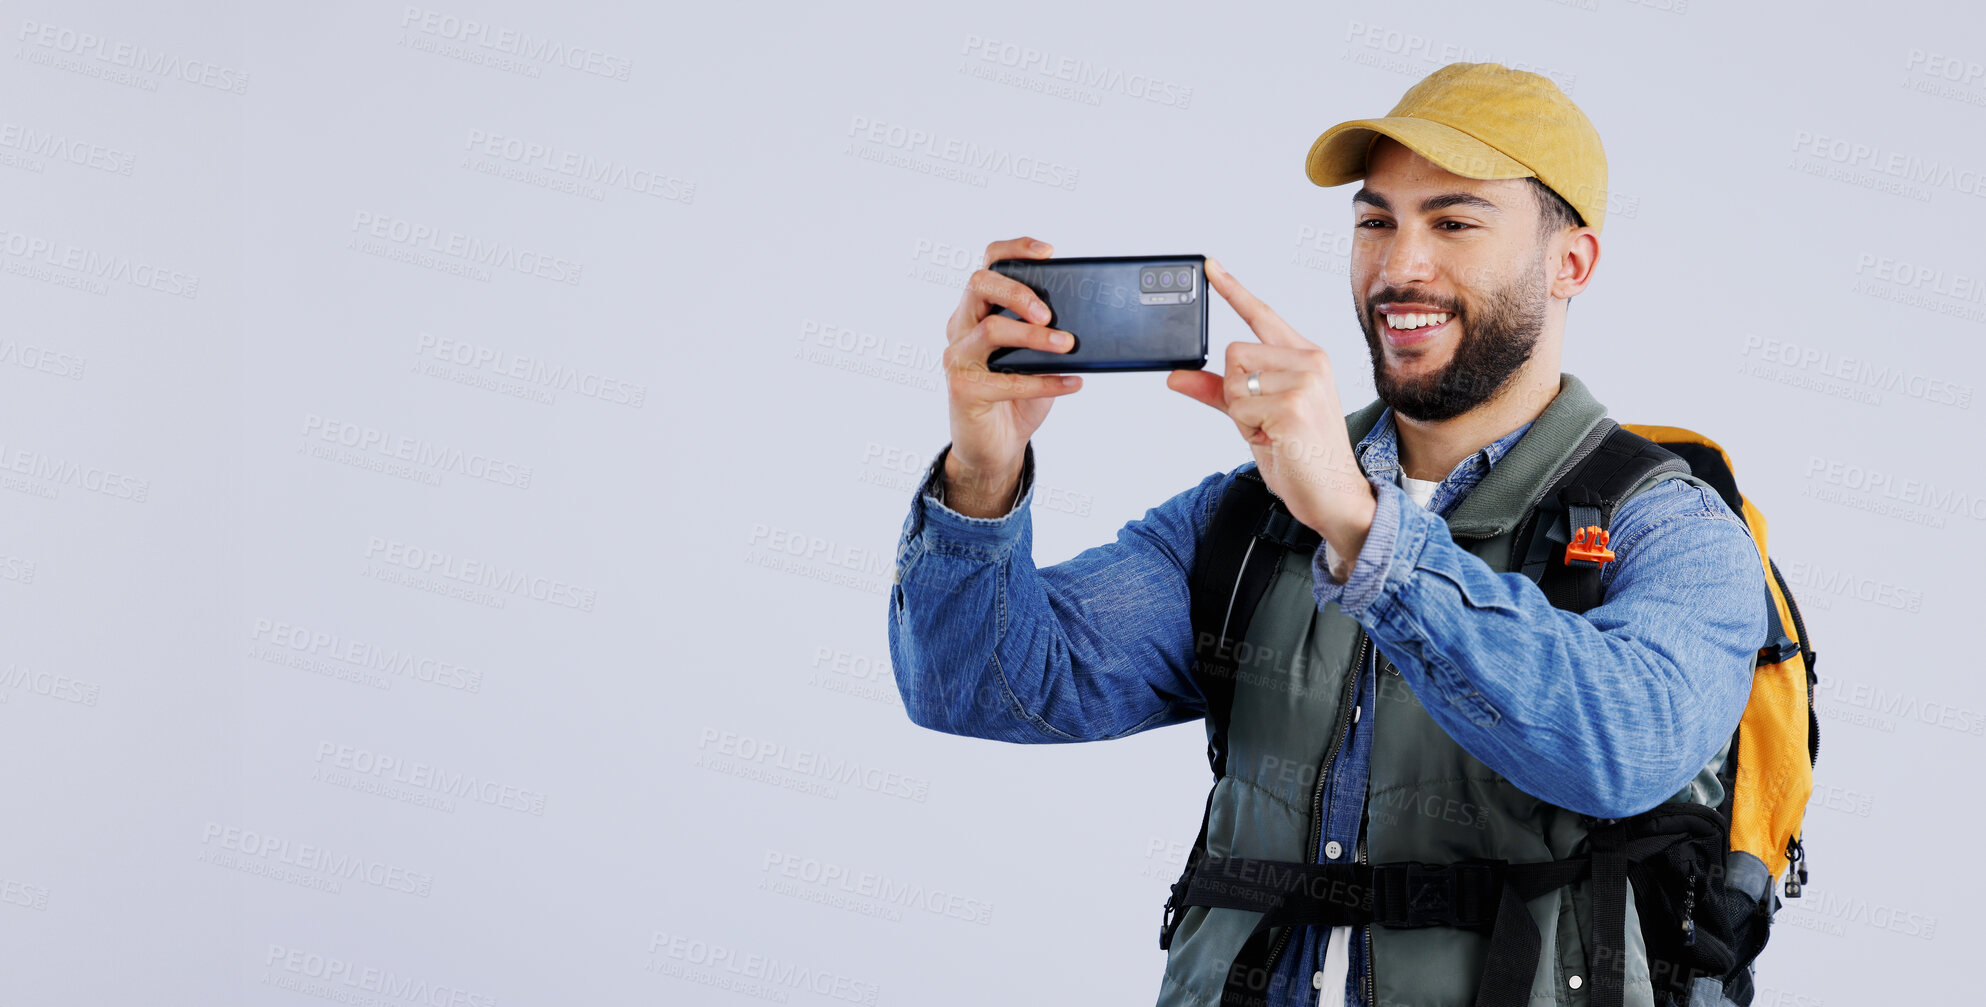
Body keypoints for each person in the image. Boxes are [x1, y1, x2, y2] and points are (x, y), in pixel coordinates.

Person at [886, 61, 1768, 1007]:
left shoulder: (1670, 523)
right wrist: (983, 473)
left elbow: (1625, 746)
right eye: (1376, 219)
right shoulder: (1253, 513)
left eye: (1455, 222)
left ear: (1572, 263)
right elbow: (981, 687)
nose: (1400, 266)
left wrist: (1359, 525)